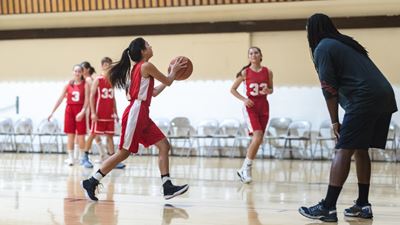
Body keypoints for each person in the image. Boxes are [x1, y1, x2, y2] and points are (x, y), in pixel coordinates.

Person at [299, 13, 397, 222]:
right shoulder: (345, 43)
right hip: (385, 96)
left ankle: (328, 207)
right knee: (361, 149)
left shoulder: (323, 47)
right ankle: (363, 205)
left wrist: (335, 121)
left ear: (312, 30)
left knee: (342, 149)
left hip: (365, 98)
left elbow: (329, 89)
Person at [81, 37, 189, 201]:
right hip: (136, 112)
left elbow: (154, 92)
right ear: (142, 51)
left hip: (142, 112)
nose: (150, 46)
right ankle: (91, 181)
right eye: (147, 45)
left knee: (164, 145)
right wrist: (173, 72)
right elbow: (167, 81)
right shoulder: (146, 66)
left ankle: (167, 186)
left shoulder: (138, 69)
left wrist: (171, 76)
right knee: (123, 153)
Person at [230, 46, 273, 183]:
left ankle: (243, 168)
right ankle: (247, 168)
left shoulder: (268, 72)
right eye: (251, 53)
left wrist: (268, 90)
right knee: (258, 136)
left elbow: (271, 90)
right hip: (251, 106)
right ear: (249, 57)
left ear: (261, 55)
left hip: (264, 106)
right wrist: (244, 99)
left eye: (256, 53)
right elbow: (232, 89)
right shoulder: (245, 72)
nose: (253, 55)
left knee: (259, 139)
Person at [84, 57, 126, 169]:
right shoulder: (98, 79)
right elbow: (91, 97)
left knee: (110, 136)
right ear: (102, 65)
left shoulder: (112, 80)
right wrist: (93, 113)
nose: (109, 67)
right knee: (93, 134)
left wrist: (116, 113)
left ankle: (113, 160)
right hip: (99, 113)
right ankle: (85, 157)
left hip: (109, 114)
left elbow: (113, 98)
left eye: (110, 65)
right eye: (107, 65)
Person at [48, 64, 89, 166]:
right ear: (73, 72)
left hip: (80, 110)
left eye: (79, 71)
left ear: (82, 73)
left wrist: (83, 111)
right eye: (75, 71)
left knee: (81, 136)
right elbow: (60, 98)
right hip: (69, 110)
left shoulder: (85, 85)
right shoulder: (68, 85)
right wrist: (52, 112)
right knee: (70, 135)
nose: (77, 73)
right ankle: (71, 158)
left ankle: (82, 157)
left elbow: (87, 99)